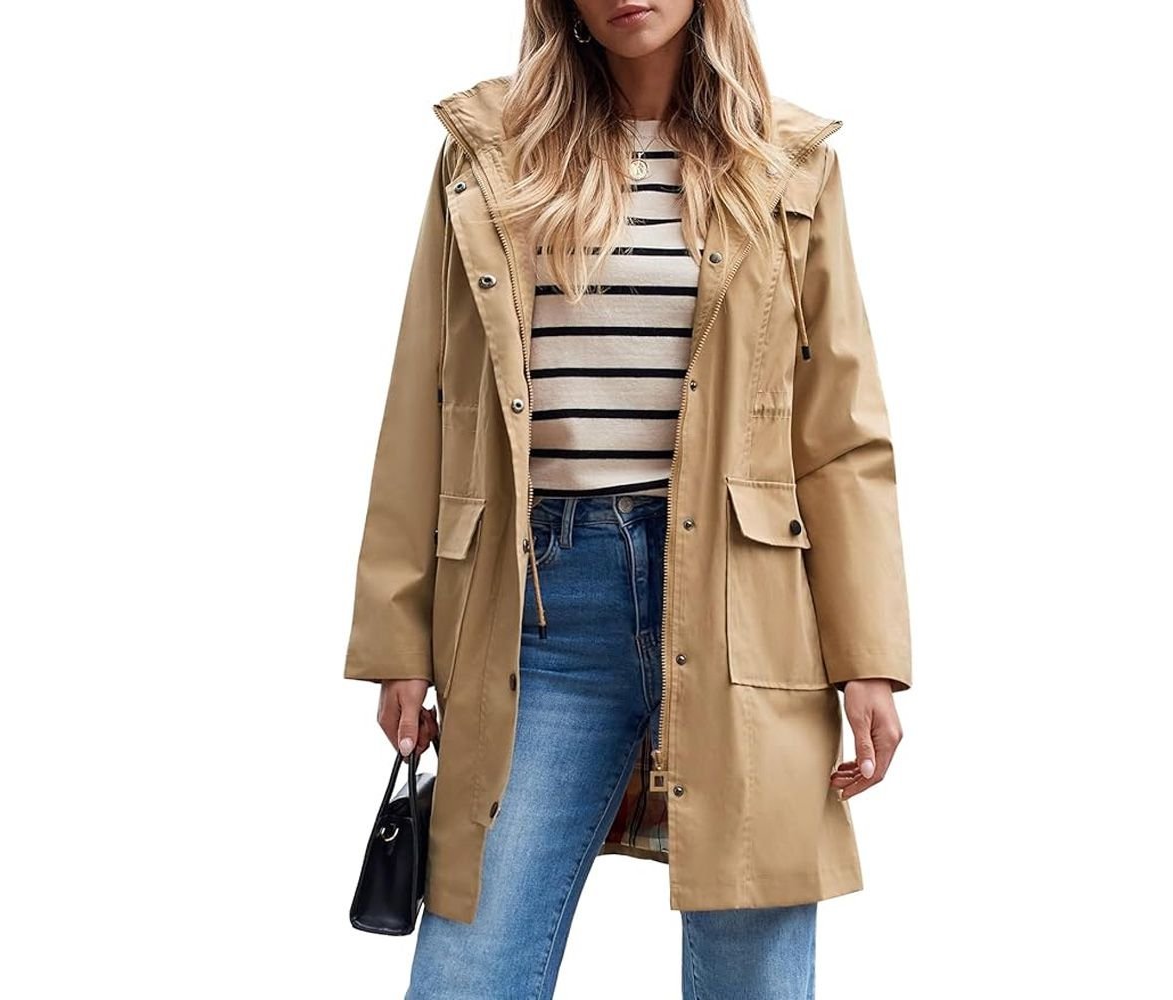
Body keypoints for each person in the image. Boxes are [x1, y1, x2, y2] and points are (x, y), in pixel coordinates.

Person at [343, 1, 912, 996]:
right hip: (539, 614)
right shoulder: (489, 155)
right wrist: (399, 636)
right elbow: (423, 401)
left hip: (746, 612)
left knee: (752, 972)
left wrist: (870, 657)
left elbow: (839, 432)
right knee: (469, 969)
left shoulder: (788, 163)